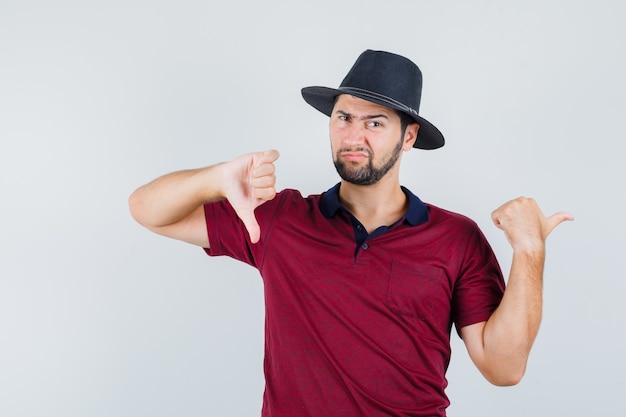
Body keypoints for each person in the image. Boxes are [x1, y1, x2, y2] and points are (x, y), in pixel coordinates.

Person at [128, 49, 573, 417]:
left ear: (408, 137)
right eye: (343, 117)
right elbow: (147, 210)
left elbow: (504, 367)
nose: (353, 135)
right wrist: (215, 178)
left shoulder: (456, 238)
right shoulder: (280, 220)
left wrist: (529, 250)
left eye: (374, 122)